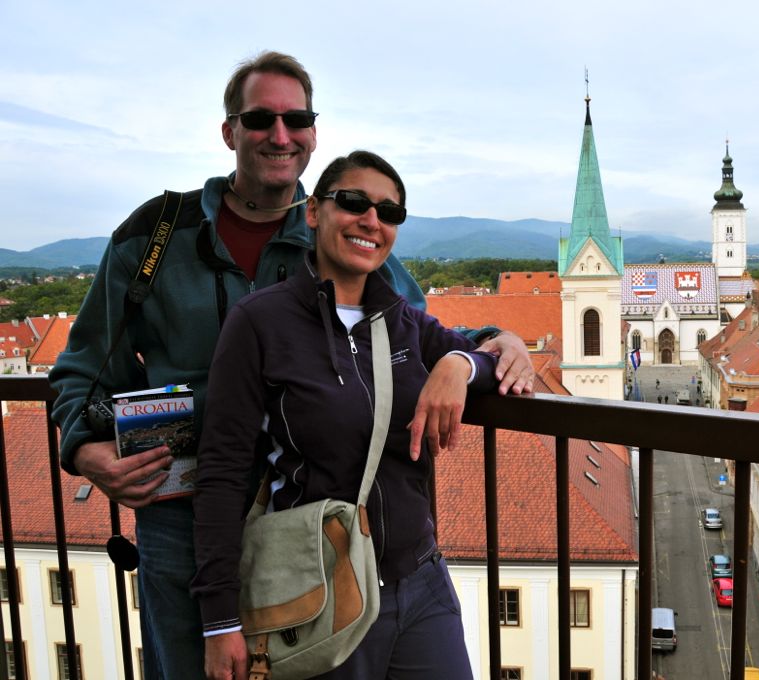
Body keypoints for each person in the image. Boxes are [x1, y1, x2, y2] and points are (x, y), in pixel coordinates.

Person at [49, 51, 533, 679]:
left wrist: (489, 348)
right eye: (260, 119)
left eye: (296, 119)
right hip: (187, 514)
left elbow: (416, 332)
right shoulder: (155, 238)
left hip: (304, 527)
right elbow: (82, 370)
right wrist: (86, 451)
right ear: (231, 131)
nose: (280, 134)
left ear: (312, 133)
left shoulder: (342, 229)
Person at [193, 150, 486, 678]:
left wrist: (459, 364)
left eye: (389, 212)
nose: (371, 220)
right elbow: (221, 471)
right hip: (319, 588)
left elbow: (490, 358)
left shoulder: (402, 320)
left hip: (418, 581)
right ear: (313, 212)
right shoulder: (261, 323)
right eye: (352, 202)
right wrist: (219, 620)